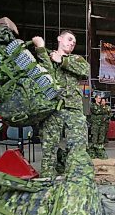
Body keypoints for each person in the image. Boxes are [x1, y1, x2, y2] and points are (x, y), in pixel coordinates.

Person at [32, 31, 90, 178]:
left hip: (74, 109)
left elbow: (85, 71)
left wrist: (62, 61)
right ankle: (46, 181)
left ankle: (75, 180)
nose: (72, 43)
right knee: (49, 148)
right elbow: (43, 74)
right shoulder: (48, 57)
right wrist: (40, 49)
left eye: (74, 42)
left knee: (78, 146)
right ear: (59, 38)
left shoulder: (76, 59)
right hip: (52, 108)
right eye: (69, 39)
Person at [89, 94, 107, 159]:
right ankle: (93, 152)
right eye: (98, 98)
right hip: (95, 124)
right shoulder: (93, 105)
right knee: (94, 138)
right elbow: (96, 111)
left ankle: (100, 151)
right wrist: (103, 111)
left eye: (100, 98)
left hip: (102, 124)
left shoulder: (101, 106)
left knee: (101, 138)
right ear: (95, 99)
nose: (100, 99)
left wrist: (103, 111)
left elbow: (106, 112)